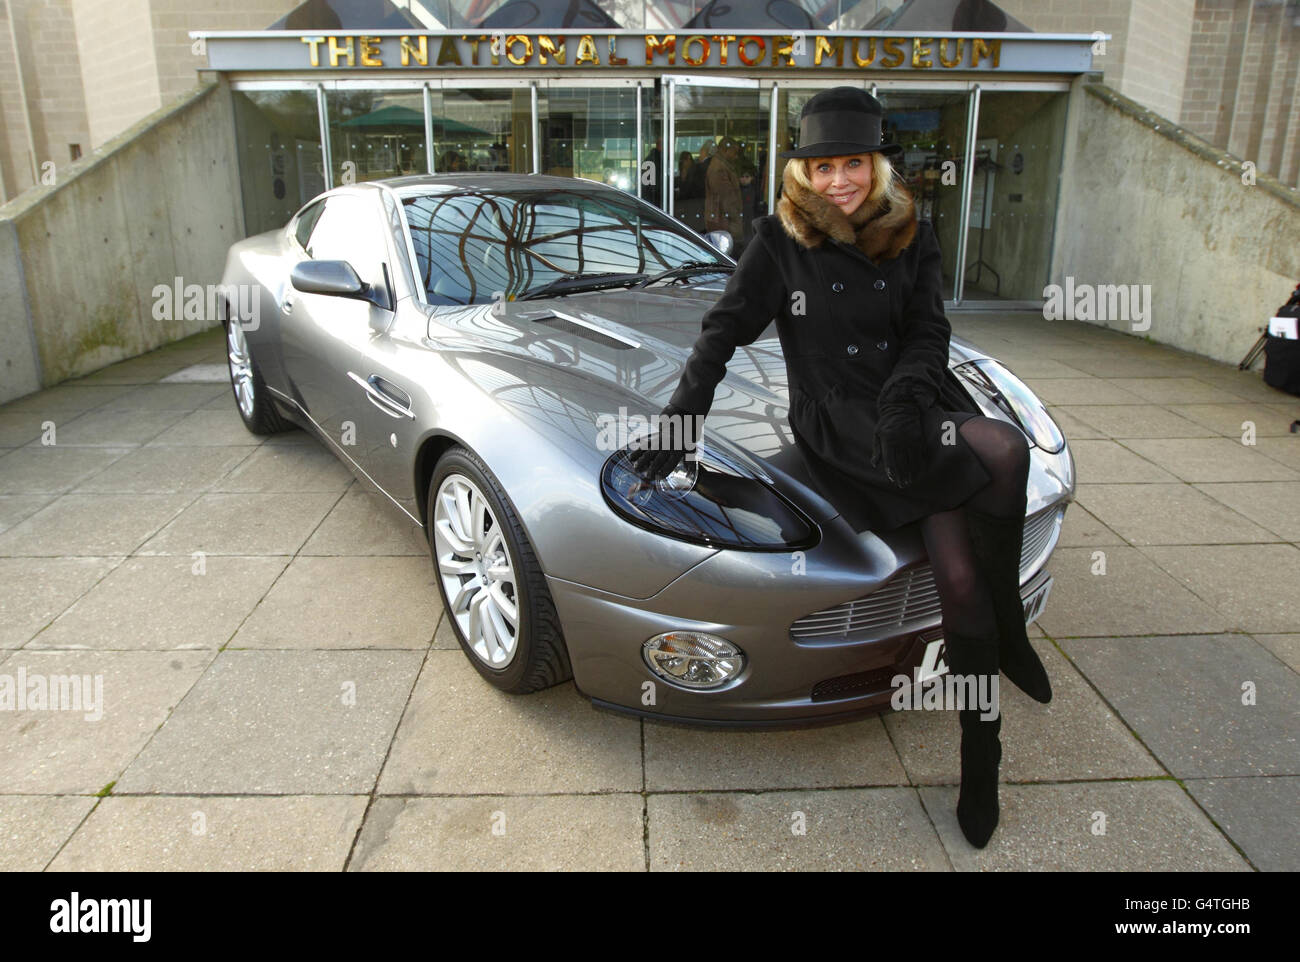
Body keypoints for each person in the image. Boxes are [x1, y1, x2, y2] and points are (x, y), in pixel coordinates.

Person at [628, 87, 1052, 849]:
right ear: (804, 174)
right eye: (822, 168)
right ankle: (1005, 654)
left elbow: (929, 330)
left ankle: (984, 734)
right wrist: (682, 420)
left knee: (965, 571)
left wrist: (907, 404)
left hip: (916, 406)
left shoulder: (910, 229)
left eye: (852, 164)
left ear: (876, 164)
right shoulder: (780, 240)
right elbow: (722, 332)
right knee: (997, 458)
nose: (839, 183)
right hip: (838, 426)